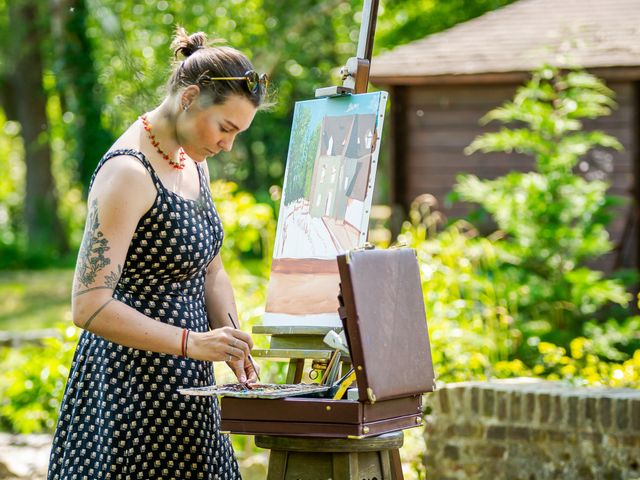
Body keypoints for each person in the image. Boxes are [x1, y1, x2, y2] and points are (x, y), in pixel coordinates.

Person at [47, 26, 268, 480]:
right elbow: (88, 306)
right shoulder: (129, 172)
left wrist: (230, 339)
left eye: (238, 133)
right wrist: (193, 343)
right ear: (189, 98)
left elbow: (212, 269)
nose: (228, 144)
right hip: (128, 396)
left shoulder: (191, 160)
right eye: (225, 128)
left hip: (189, 390)